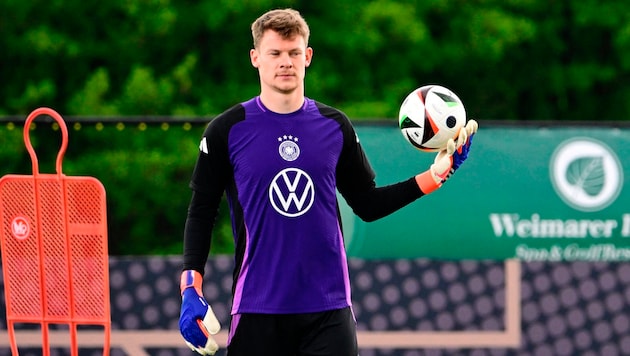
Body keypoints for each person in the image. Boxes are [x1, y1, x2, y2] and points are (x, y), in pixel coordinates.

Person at [178, 8, 478, 356]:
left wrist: (437, 174)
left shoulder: (335, 126)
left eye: (293, 53)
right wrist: (190, 288)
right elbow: (201, 211)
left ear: (307, 56)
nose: (285, 62)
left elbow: (367, 204)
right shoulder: (226, 130)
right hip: (257, 308)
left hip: (329, 309)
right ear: (255, 58)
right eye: (275, 53)